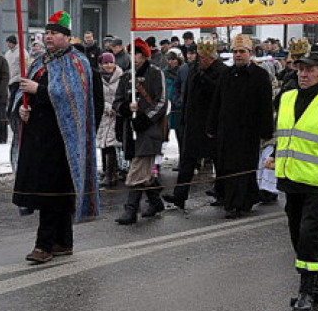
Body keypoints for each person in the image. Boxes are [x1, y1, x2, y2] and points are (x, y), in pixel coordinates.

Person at [266, 50, 318, 311]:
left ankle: (306, 290)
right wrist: (275, 155)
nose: (303, 73)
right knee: (295, 234)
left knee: (308, 234)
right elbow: (286, 136)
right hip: (291, 178)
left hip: (317, 182)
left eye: (310, 69)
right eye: (300, 68)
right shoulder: (287, 98)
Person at [12, 12, 99, 263]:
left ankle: (44, 245)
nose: (49, 37)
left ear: (67, 37)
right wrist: (22, 107)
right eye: (47, 33)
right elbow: (23, 92)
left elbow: (73, 97)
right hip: (37, 137)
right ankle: (63, 241)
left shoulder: (77, 62)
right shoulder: (39, 62)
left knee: (51, 192)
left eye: (55, 33)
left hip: (61, 140)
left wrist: (38, 90)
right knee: (56, 192)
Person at [207, 33, 275, 218]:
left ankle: (241, 202)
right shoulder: (226, 74)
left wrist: (266, 130)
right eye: (235, 51)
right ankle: (230, 201)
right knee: (227, 167)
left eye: (242, 51)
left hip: (248, 132)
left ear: (250, 53)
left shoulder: (260, 75)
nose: (238, 55)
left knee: (244, 168)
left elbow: (265, 105)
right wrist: (212, 127)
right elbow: (217, 102)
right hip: (226, 131)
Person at [164, 37, 227, 209]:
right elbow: (187, 95)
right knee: (187, 160)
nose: (201, 61)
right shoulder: (192, 69)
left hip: (210, 124)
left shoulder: (222, 71)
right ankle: (179, 196)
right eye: (200, 57)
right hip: (192, 123)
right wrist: (184, 118)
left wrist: (205, 78)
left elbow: (219, 95)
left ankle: (221, 193)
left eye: (204, 58)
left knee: (218, 161)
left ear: (212, 58)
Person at [114, 38, 168, 225]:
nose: (134, 57)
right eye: (131, 53)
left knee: (137, 169)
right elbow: (117, 102)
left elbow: (161, 101)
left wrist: (146, 118)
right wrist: (127, 108)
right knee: (143, 171)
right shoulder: (126, 76)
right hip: (131, 129)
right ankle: (155, 201)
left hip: (149, 129)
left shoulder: (155, 73)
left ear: (144, 55)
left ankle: (130, 210)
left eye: (137, 53)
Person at [96, 53, 125, 188]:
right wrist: (105, 106)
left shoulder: (121, 76)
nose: (108, 66)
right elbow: (96, 95)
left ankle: (111, 174)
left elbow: (124, 94)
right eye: (105, 63)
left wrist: (116, 106)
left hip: (117, 115)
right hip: (103, 115)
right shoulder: (97, 78)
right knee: (104, 144)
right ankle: (108, 173)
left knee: (111, 144)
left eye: (111, 62)